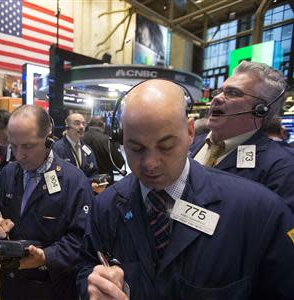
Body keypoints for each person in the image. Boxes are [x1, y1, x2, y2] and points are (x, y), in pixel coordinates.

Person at [76, 79, 294, 300]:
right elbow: (87, 266)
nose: (151, 163)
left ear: (190, 132)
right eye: (136, 148)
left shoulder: (258, 211)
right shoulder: (106, 206)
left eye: (166, 146)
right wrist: (91, 287)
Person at [0, 105, 93, 300]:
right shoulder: (8, 173)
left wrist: (46, 256)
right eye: (13, 146)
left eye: (27, 146)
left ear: (47, 137)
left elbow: (82, 239)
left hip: (54, 288)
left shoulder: (74, 181)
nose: (19, 155)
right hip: (12, 284)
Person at [190, 61, 294, 212]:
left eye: (232, 93)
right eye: (220, 91)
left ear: (261, 110)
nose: (216, 98)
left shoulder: (282, 166)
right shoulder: (191, 145)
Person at [52, 113, 104, 193]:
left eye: (83, 124)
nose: (81, 127)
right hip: (65, 197)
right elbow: (53, 178)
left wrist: (95, 183)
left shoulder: (87, 149)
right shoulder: (57, 148)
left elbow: (94, 172)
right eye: (77, 123)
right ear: (67, 127)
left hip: (84, 197)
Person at [82, 116, 125, 184]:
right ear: (103, 125)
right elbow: (119, 163)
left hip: (84, 183)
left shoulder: (80, 139)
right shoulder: (108, 141)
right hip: (104, 183)